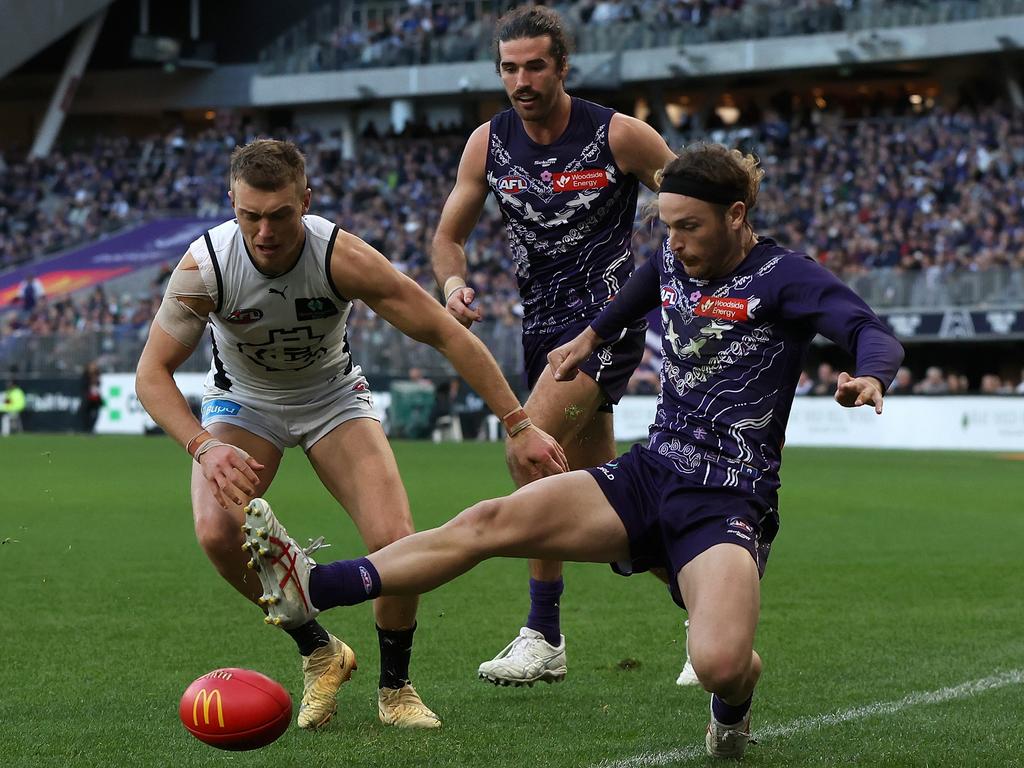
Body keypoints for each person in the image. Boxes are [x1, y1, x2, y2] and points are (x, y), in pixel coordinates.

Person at [241, 142, 904, 758]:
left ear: (737, 215)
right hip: (650, 473)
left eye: (690, 227)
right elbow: (639, 291)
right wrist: (589, 338)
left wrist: (869, 375)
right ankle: (313, 586)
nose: (674, 242)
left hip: (726, 499)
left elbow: (867, 329)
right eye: (666, 226)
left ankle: (732, 709)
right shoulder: (673, 259)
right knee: (489, 520)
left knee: (722, 664)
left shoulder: (785, 277)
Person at [135, 138, 567, 732]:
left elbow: (445, 334)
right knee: (215, 530)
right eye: (249, 216)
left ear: (306, 201)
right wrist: (204, 446)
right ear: (232, 205)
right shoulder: (205, 267)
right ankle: (319, 649)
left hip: (333, 398)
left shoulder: (342, 256)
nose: (264, 231)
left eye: (280, 214)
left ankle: (396, 689)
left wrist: (519, 424)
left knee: (395, 540)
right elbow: (151, 375)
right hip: (244, 402)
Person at [429, 4, 685, 687]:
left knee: (530, 445)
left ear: (562, 67)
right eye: (510, 67)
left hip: (606, 324)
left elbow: (698, 200)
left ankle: (543, 633)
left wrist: (676, 278)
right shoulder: (489, 142)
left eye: (535, 65)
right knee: (611, 513)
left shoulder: (619, 135)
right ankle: (706, 600)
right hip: (539, 332)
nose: (522, 79)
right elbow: (447, 237)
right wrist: (453, 286)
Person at [79, 361, 104, 433]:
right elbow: (83, 386)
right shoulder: (85, 376)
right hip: (87, 398)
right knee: (86, 414)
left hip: (95, 398)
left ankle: (91, 428)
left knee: (96, 414)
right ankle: (86, 429)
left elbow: (98, 384)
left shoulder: (97, 375)